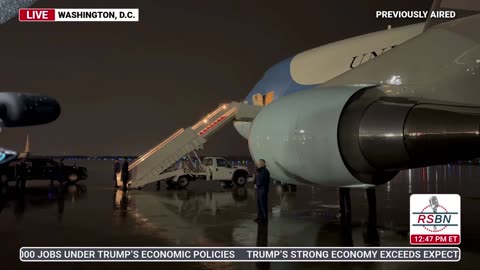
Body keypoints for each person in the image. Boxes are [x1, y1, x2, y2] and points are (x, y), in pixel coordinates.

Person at [254, 159, 270, 223]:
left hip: (263, 190)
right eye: (258, 162)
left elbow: (263, 181)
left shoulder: (265, 171)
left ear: (264, 164)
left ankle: (264, 219)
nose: (259, 164)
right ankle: (259, 217)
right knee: (259, 205)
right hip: (259, 190)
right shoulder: (259, 171)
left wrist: (257, 185)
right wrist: (254, 183)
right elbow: (256, 179)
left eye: (260, 162)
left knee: (263, 205)